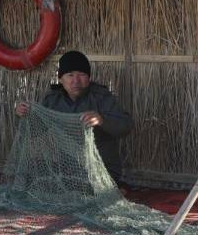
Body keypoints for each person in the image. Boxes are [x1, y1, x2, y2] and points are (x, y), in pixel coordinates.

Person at [15, 50, 133, 180]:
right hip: (67, 168)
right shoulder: (53, 100)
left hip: (103, 169)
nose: (76, 81)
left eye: (82, 74)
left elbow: (126, 127)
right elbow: (35, 131)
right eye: (70, 75)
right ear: (60, 79)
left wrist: (102, 121)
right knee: (33, 182)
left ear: (89, 78)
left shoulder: (102, 97)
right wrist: (25, 115)